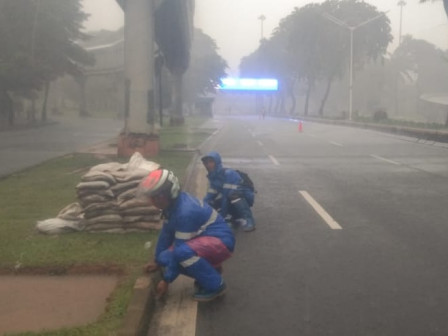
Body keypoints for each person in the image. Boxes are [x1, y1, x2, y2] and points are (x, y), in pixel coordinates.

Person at [137, 168, 235, 302]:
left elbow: (179, 250)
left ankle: (216, 285)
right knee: (164, 257)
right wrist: (157, 261)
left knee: (182, 253)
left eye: (155, 196)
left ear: (168, 194)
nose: (153, 201)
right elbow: (166, 234)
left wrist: (166, 280)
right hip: (206, 240)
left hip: (221, 241)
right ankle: (210, 271)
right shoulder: (172, 207)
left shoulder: (185, 212)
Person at [201, 151, 256, 232]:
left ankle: (250, 221)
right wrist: (199, 208)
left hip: (245, 199)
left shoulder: (229, 173)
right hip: (229, 200)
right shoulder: (213, 177)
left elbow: (226, 197)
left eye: (211, 162)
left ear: (217, 162)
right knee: (210, 203)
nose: (209, 165)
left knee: (233, 195)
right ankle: (233, 216)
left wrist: (222, 216)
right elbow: (209, 196)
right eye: (206, 163)